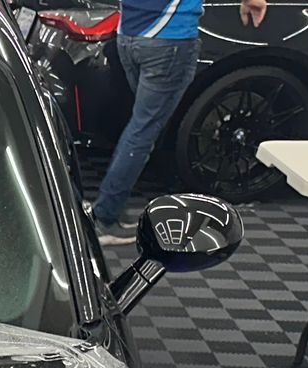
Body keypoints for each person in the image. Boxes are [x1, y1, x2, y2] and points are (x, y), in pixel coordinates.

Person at [90, 0, 268, 242]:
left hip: (130, 36)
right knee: (142, 131)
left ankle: (104, 210)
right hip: (169, 40)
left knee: (140, 126)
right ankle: (105, 217)